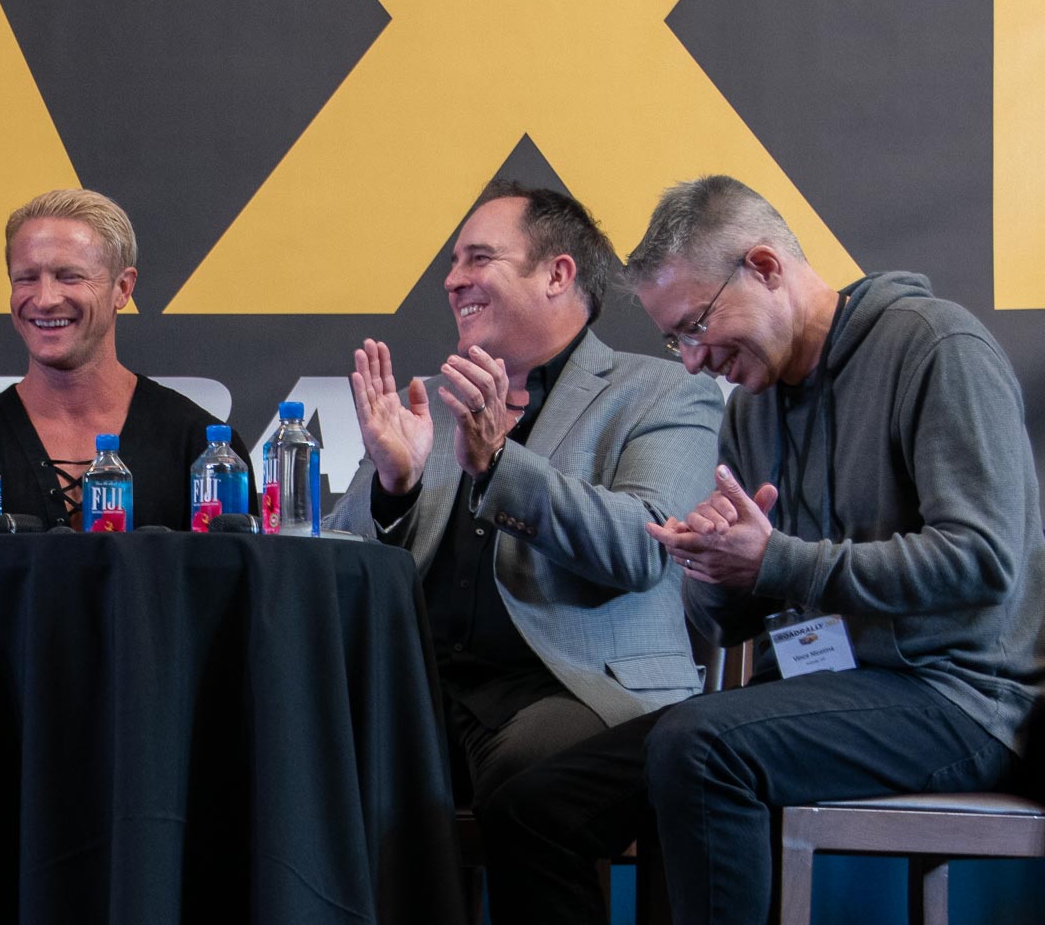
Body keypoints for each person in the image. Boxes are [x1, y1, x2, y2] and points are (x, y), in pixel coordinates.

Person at [479, 175, 1045, 925]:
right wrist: (712, 567)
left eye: (695, 326)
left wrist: (777, 559)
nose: (689, 360)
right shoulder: (751, 410)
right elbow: (736, 616)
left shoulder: (935, 346)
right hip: (830, 686)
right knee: (536, 802)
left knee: (701, 745)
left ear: (767, 266)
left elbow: (983, 560)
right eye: (673, 340)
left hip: (960, 694)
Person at [322, 180, 721, 809]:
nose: (453, 281)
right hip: (420, 689)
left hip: (578, 689)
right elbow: (339, 565)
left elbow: (645, 548)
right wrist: (392, 492)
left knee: (531, 773)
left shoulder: (662, 393)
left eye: (478, 259)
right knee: (300, 751)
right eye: (453, 264)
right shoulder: (430, 403)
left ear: (557, 274)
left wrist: (500, 464)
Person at [0, 189, 246, 530]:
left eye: (69, 276)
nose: (45, 299)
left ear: (123, 288)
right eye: (27, 278)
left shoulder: (202, 452)